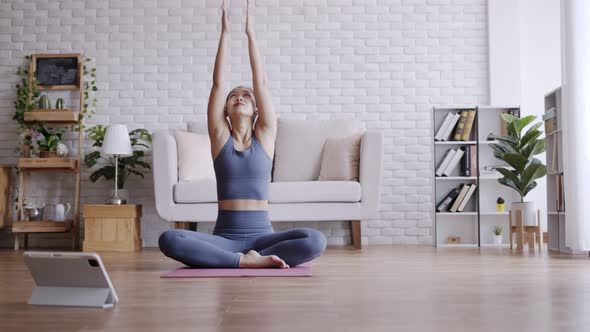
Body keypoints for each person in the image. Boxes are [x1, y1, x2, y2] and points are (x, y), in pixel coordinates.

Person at [158, 0, 327, 269]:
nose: (239, 97)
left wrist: (251, 34)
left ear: (257, 107)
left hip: (264, 238)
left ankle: (241, 260)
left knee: (315, 240)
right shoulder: (219, 137)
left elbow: (261, 82)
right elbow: (218, 83)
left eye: (246, 95)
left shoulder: (266, 136)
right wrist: (224, 34)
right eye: (233, 96)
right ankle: (242, 261)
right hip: (224, 238)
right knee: (169, 238)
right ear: (225, 109)